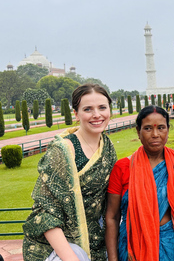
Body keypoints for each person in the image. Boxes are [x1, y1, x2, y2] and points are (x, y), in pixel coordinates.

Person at [23, 83, 117, 261]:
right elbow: (46, 213)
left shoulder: (107, 147)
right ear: (76, 113)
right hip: (59, 248)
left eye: (102, 107)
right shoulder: (63, 151)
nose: (97, 115)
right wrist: (72, 258)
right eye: (88, 109)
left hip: (96, 242)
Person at [105, 105, 174, 261]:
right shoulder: (123, 167)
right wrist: (112, 258)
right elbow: (112, 217)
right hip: (133, 246)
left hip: (170, 246)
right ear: (138, 132)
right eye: (148, 128)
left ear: (168, 130)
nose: (155, 134)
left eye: (161, 128)